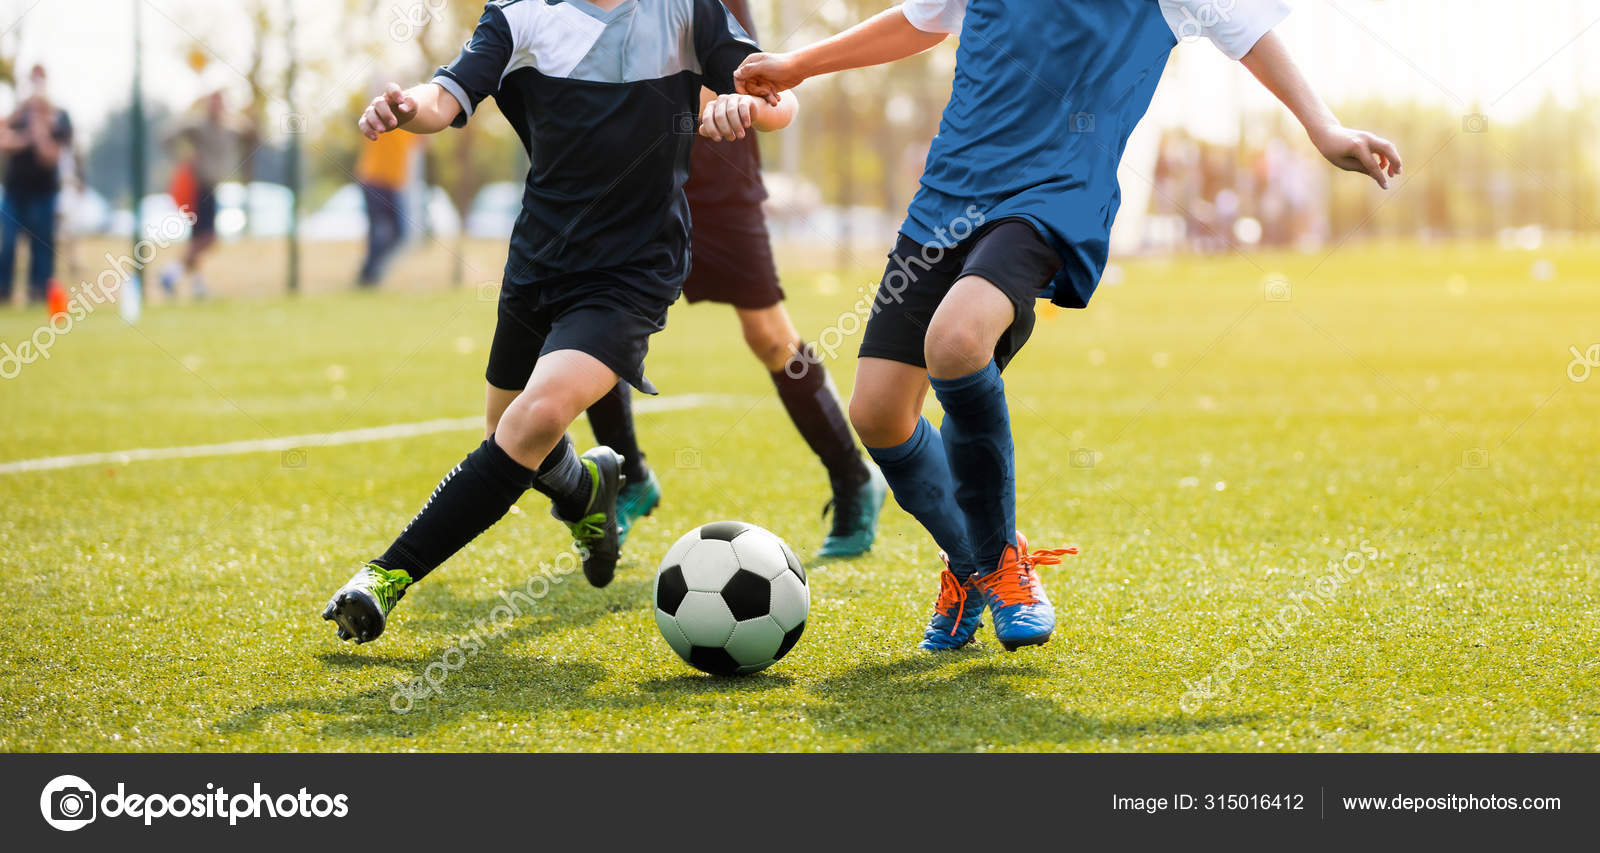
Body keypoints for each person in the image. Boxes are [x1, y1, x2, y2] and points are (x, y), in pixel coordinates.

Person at [731, 0, 1401, 651]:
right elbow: (921, 19)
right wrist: (799, 65)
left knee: (959, 341)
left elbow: (1251, 31)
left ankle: (999, 567)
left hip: (1052, 195)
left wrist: (1324, 128)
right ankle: (975, 559)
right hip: (950, 194)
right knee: (877, 413)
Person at [323, 0, 797, 644]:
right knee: (509, 433)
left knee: (534, 419)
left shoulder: (686, 9)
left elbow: (778, 98)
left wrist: (745, 106)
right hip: (539, 260)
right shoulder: (519, 14)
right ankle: (587, 490)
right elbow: (447, 94)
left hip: (634, 268)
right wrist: (408, 108)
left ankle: (384, 576)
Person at [584, 0, 884, 560]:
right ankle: (630, 476)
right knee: (597, 324)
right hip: (634, 174)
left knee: (770, 338)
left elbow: (749, 73)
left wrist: (717, 98)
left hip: (720, 170)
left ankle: (852, 477)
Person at [159, 91, 246, 300]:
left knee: (198, 239)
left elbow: (250, 132)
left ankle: (196, 284)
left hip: (213, 187)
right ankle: (170, 274)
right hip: (199, 188)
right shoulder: (197, 126)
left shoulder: (228, 128)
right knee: (208, 239)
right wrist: (183, 156)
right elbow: (167, 136)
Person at [0, 65, 71, 306]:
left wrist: (38, 128)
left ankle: (39, 293)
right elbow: (3, 140)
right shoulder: (18, 114)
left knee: (42, 245)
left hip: (44, 193)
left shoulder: (59, 117)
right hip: (14, 191)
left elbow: (49, 156)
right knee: (7, 241)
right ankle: (4, 292)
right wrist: (24, 129)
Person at [354, 124, 422, 287]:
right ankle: (369, 276)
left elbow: (423, 142)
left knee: (399, 233)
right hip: (375, 179)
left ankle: (370, 273)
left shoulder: (415, 121)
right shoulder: (387, 118)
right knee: (380, 230)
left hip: (394, 184)